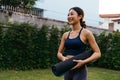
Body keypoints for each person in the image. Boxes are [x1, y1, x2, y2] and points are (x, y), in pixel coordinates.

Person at [57, 7, 101, 80]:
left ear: (80, 16)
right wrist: (63, 58)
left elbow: (97, 53)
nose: (69, 17)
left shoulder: (87, 33)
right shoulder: (65, 35)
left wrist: (83, 62)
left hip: (80, 71)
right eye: (68, 15)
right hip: (67, 68)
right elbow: (59, 53)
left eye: (72, 14)